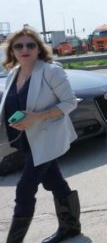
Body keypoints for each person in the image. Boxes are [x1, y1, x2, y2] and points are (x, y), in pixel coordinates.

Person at [0, 27, 81, 243]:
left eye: (30, 45)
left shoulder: (50, 71)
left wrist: (37, 117)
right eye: (19, 46)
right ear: (12, 51)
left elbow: (70, 103)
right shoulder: (13, 73)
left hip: (46, 140)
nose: (24, 49)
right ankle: (71, 227)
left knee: (24, 189)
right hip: (26, 141)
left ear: (38, 49)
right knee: (54, 181)